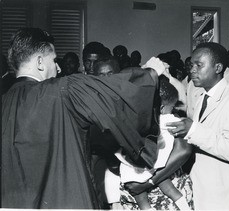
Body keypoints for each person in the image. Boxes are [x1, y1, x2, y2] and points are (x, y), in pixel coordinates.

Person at [2, 27, 166, 208]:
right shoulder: (61, 90)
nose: (57, 67)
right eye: (54, 60)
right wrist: (150, 73)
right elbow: (111, 92)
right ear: (40, 62)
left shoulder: (5, 101)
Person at [166, 42, 229, 210]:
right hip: (204, 188)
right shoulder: (203, 98)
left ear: (218, 67)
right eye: (192, 65)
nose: (192, 70)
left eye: (199, 65)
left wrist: (193, 130)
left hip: (224, 193)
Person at [116, 79, 191, 210]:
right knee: (169, 187)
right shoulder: (171, 119)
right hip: (160, 166)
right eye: (172, 107)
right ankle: (184, 206)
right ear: (162, 108)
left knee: (139, 195)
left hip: (138, 167)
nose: (173, 110)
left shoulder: (138, 118)